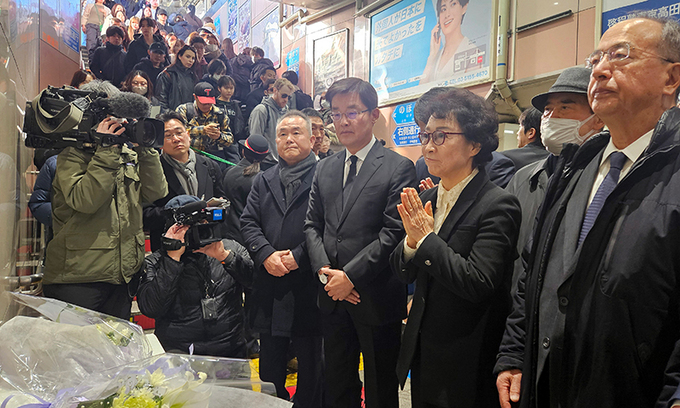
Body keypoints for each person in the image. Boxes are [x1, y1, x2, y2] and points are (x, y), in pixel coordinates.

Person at [496, 17, 680, 408]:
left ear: (671, 78)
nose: (599, 70)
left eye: (621, 55)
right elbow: (533, 269)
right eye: (595, 59)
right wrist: (514, 351)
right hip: (549, 383)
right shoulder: (575, 166)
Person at [390, 87, 521, 408]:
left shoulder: (497, 204)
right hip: (423, 346)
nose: (428, 146)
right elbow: (402, 271)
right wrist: (411, 243)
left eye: (441, 136)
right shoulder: (427, 197)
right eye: (425, 135)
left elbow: (479, 282)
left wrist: (425, 240)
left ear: (475, 144)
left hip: (467, 352)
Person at [304, 77, 418, 408]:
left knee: (381, 386)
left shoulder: (398, 167)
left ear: (373, 114)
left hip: (376, 295)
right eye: (336, 114)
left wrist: (350, 277)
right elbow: (312, 225)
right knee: (337, 383)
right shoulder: (325, 168)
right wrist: (326, 273)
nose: (343, 121)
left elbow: (393, 232)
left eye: (352, 112)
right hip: (331, 294)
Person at [42, 112, 168, 320]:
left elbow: (156, 192)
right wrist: (106, 150)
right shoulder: (72, 155)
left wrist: (146, 150)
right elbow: (85, 200)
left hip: (122, 276)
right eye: (111, 120)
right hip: (78, 277)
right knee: (78, 342)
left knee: (117, 341)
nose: (119, 125)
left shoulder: (129, 156)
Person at [241, 111, 324, 406]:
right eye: (282, 134)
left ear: (312, 139)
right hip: (271, 284)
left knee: (312, 363)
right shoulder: (264, 179)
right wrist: (265, 254)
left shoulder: (325, 176)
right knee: (270, 364)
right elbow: (249, 222)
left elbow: (330, 226)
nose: (289, 139)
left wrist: (298, 256)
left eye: (296, 132)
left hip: (309, 285)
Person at [503, 67, 605, 291]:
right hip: (517, 303)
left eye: (565, 107)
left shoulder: (604, 180)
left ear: (598, 118)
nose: (551, 117)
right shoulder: (523, 178)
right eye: (547, 110)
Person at [138, 195, 253, 357]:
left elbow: (256, 283)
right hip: (180, 354)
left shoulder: (230, 249)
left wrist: (225, 257)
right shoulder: (155, 262)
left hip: (230, 350)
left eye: (202, 224)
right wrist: (172, 260)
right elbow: (151, 308)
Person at [143, 111, 224, 251]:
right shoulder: (152, 170)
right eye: (168, 136)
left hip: (206, 244)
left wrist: (214, 212)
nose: (176, 139)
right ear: (159, 143)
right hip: (170, 247)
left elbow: (223, 203)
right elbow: (145, 215)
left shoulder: (210, 166)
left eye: (179, 133)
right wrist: (178, 213)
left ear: (188, 135)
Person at [221, 134, 270, 245]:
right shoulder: (263, 179)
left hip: (228, 233)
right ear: (264, 157)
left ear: (243, 151)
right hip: (250, 237)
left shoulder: (228, 172)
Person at [420, 0, 480, 84]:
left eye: (453, 4)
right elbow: (421, 89)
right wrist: (432, 56)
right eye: (443, 9)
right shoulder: (435, 57)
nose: (447, 14)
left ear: (464, 7)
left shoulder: (472, 52)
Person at [176, 82, 236, 165]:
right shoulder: (184, 110)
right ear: (195, 97)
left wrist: (219, 137)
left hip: (212, 159)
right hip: (189, 157)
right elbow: (178, 133)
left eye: (209, 102)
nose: (207, 106)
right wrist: (202, 130)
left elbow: (230, 140)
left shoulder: (220, 114)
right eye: (203, 103)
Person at [249, 78, 293, 160]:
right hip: (266, 162)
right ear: (275, 91)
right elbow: (255, 141)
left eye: (289, 97)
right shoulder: (261, 110)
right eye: (284, 95)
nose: (286, 100)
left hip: (282, 161)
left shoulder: (286, 111)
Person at [500, 107, 550, 172]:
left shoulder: (504, 159)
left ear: (531, 133)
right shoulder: (557, 161)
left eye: (520, 127)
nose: (517, 133)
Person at [156, 44, 197, 111]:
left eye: (193, 58)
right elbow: (161, 100)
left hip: (189, 114)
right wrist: (169, 115)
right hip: (171, 114)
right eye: (188, 57)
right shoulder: (167, 74)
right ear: (179, 56)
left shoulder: (193, 76)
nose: (191, 60)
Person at [215, 75, 246, 142]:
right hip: (217, 139)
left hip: (233, 140)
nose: (229, 91)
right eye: (226, 88)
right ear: (219, 88)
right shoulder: (214, 104)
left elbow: (239, 123)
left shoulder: (235, 105)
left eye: (231, 88)